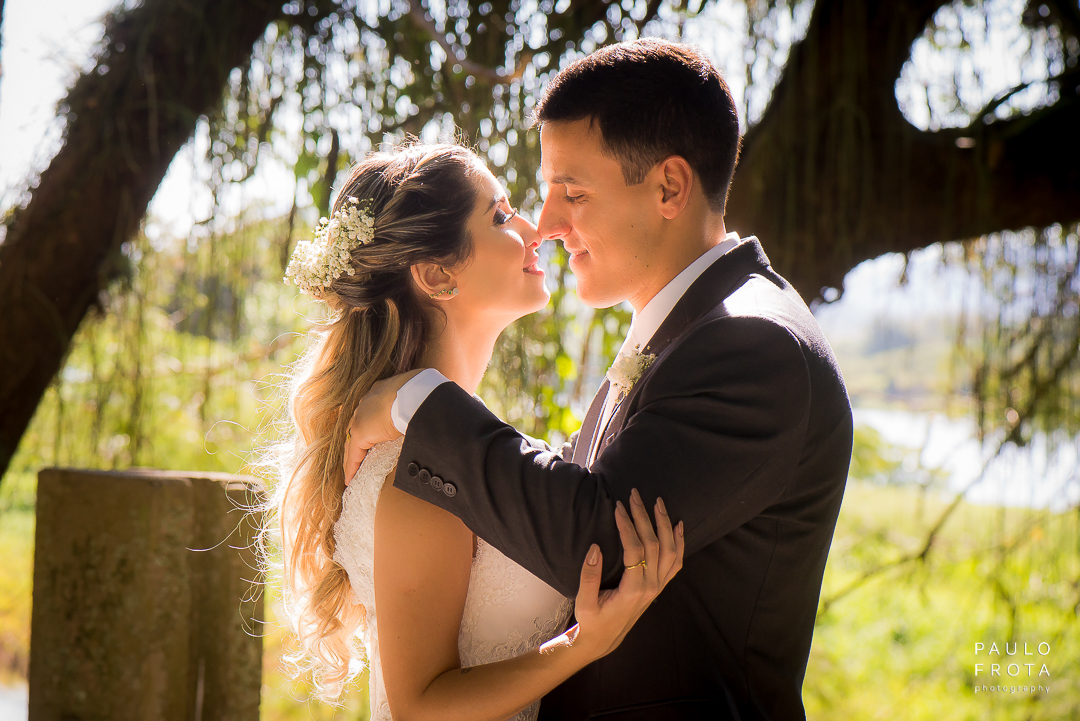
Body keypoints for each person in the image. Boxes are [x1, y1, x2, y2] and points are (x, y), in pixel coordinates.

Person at [342, 39, 854, 720]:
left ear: (670, 187)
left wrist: (417, 399)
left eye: (573, 193)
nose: (547, 226)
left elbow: (591, 537)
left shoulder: (753, 345)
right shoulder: (680, 337)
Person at [270, 142, 685, 721]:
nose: (535, 227)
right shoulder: (416, 471)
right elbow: (420, 705)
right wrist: (583, 646)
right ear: (438, 274)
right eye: (499, 214)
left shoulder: (452, 447)